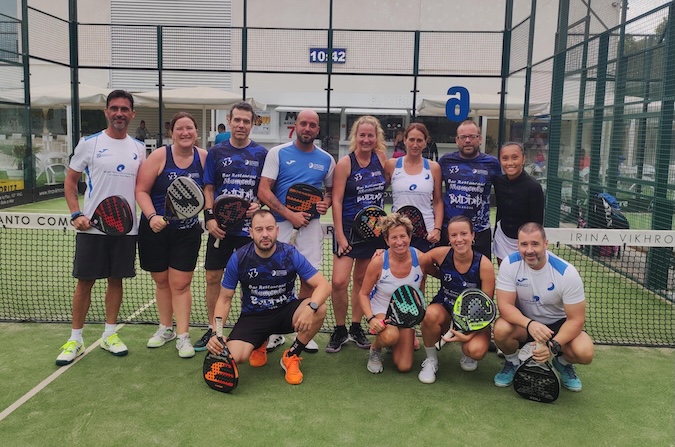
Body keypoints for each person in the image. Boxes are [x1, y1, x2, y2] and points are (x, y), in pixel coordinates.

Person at [56, 90, 146, 366]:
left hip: (126, 229)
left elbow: (142, 188)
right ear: (106, 112)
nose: (119, 113)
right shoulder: (89, 143)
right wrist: (76, 214)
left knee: (115, 280)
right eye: (114, 108)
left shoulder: (139, 148)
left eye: (125, 109)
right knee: (85, 282)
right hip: (92, 228)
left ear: (132, 114)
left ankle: (109, 334)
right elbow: (70, 184)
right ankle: (76, 338)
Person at [205, 210, 331, 385]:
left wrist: (311, 308)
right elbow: (224, 299)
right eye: (259, 229)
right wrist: (216, 334)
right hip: (253, 317)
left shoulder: (289, 253)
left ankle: (291, 355)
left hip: (285, 313)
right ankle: (259, 343)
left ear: (277, 231)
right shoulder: (239, 258)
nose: (265, 234)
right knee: (236, 357)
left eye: (269, 229)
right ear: (251, 232)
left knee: (320, 309)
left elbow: (324, 285)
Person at [258, 109, 335, 353]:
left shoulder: (326, 159)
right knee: (274, 277)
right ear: (296, 127)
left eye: (313, 125)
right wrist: (290, 215)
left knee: (308, 279)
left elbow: (330, 191)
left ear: (317, 129)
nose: (307, 128)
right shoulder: (277, 153)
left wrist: (326, 202)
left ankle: (304, 330)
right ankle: (272, 331)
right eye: (304, 124)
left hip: (311, 227)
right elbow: (263, 191)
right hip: (279, 225)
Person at [194, 101, 267, 352]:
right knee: (213, 278)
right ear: (230, 119)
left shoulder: (261, 154)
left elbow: (264, 190)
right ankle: (214, 330)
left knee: (252, 281)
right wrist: (210, 218)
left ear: (252, 124)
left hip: (248, 230)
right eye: (237, 120)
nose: (241, 125)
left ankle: (250, 331)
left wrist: (257, 204)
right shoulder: (216, 152)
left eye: (246, 121)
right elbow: (209, 188)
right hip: (221, 229)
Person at [135, 112, 207, 358]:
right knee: (162, 281)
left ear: (196, 132)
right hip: (155, 229)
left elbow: (209, 192)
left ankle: (183, 335)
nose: (185, 132)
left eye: (189, 128)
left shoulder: (204, 158)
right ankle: (166, 328)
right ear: (172, 132)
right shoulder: (159, 156)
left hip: (187, 233)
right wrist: (152, 216)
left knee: (181, 283)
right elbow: (141, 190)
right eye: (180, 129)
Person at [492, 223, 594, 392]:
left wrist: (553, 345)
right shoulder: (509, 264)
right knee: (501, 329)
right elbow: (505, 306)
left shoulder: (567, 273)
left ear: (546, 244)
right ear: (518, 245)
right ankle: (512, 361)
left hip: (557, 327)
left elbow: (576, 320)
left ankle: (562, 364)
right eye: (524, 244)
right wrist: (530, 324)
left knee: (585, 352)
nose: (529, 250)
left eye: (535, 244)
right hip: (525, 324)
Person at [328, 116, 388, 353]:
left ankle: (355, 327)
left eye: (370, 135)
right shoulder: (345, 163)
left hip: (373, 232)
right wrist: (341, 236)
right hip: (348, 232)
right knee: (339, 281)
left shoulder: (382, 159)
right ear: (355, 136)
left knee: (362, 281)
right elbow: (337, 199)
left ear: (376, 137)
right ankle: (340, 329)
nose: (366, 139)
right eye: (361, 135)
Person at [417, 216, 496, 383]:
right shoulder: (441, 254)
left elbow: (486, 308)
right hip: (444, 308)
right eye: (453, 235)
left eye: (464, 234)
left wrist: (468, 335)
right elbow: (421, 261)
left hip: (473, 319)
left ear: (473, 235)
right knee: (429, 315)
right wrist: (437, 274)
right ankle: (431, 360)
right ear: (449, 238)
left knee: (476, 351)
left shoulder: (484, 265)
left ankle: (466, 351)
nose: (459, 239)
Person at [359, 213, 433, 374]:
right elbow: (363, 294)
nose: (399, 242)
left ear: (409, 237)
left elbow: (424, 285)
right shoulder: (378, 261)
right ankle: (376, 349)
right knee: (390, 336)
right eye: (394, 238)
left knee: (404, 366)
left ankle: (397, 341)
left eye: (402, 236)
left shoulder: (421, 258)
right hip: (382, 310)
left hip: (407, 312)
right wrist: (371, 319)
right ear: (386, 240)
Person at [438, 119, 501, 259]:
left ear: (479, 139)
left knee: (480, 274)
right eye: (463, 137)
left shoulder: (491, 163)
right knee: (449, 274)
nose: (467, 140)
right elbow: (434, 195)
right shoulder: (445, 162)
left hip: (480, 232)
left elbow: (504, 193)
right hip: (451, 232)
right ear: (457, 140)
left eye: (472, 136)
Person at [385, 122, 443, 253]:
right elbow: (377, 193)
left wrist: (437, 229)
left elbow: (438, 201)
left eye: (419, 140)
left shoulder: (434, 168)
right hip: (398, 232)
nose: (415, 144)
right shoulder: (391, 165)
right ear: (404, 140)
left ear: (425, 142)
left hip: (426, 233)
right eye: (411, 140)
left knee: (421, 272)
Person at [492, 142, 545, 265]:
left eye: (515, 157)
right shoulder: (498, 182)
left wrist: (531, 244)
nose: (510, 163)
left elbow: (537, 222)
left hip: (525, 242)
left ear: (523, 159)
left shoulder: (534, 187)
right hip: (502, 238)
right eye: (505, 158)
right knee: (506, 276)